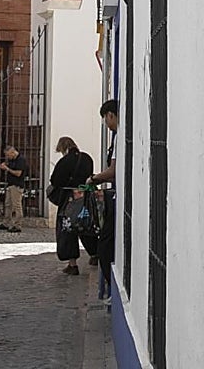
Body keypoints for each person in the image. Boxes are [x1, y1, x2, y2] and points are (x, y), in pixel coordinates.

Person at [50, 136, 96, 275]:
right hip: (86, 197)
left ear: (63, 148)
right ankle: (95, 255)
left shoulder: (65, 161)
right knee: (87, 225)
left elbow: (55, 180)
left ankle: (72, 264)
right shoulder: (87, 158)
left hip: (69, 200)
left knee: (67, 230)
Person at [88, 99, 118, 299]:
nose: (107, 125)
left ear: (110, 115)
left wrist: (95, 178)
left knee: (105, 247)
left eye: (106, 120)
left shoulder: (119, 137)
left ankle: (111, 291)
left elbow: (114, 170)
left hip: (116, 198)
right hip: (116, 194)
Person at [0, 145, 27, 233]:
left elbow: (18, 173)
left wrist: (7, 169)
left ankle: (18, 225)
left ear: (13, 152)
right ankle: (6, 223)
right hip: (10, 185)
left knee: (17, 205)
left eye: (8, 155)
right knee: (8, 205)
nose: (7, 157)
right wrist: (6, 165)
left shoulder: (21, 160)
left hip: (17, 185)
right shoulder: (13, 160)